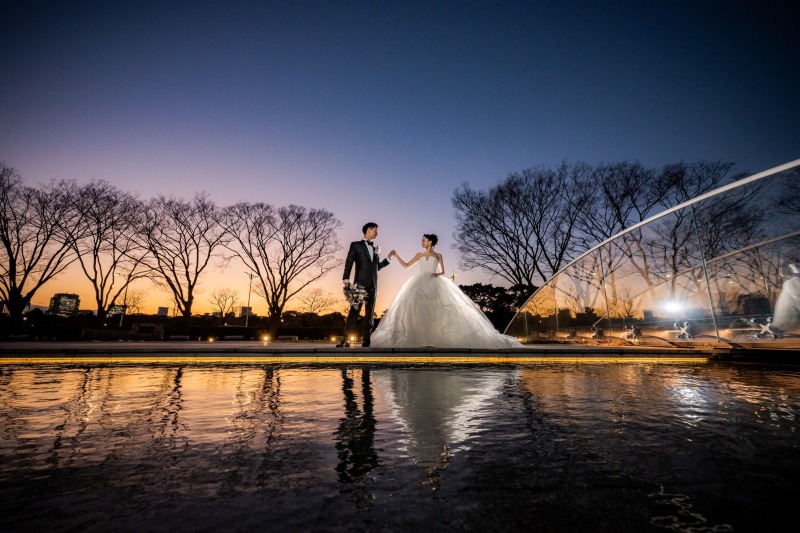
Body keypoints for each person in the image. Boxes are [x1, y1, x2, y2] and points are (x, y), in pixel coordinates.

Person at [370, 234, 523, 349]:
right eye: (421, 240)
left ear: (430, 241)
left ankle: (433, 340)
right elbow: (406, 266)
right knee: (419, 310)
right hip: (419, 283)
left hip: (434, 281)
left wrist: (436, 274)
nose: (421, 242)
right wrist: (396, 256)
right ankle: (422, 340)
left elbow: (443, 271)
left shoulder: (438, 255)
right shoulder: (419, 255)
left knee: (438, 311)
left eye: (423, 240)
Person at [337, 222, 393, 347]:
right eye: (375, 230)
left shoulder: (375, 248)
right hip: (359, 285)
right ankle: (346, 338)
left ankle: (366, 340)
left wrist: (388, 259)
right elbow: (349, 262)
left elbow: (376, 267)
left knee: (370, 314)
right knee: (354, 311)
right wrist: (346, 279)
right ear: (369, 230)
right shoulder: (356, 245)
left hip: (373, 285)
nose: (377, 233)